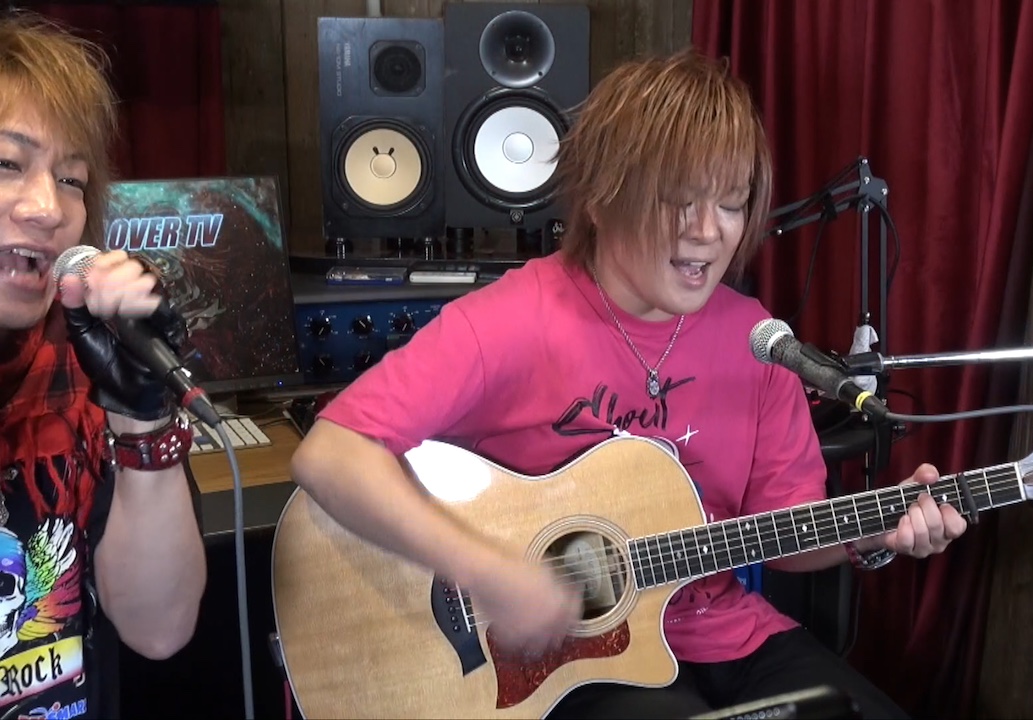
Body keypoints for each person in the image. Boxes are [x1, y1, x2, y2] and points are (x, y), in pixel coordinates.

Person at [291, 49, 967, 719]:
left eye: (731, 204)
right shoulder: (508, 322)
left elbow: (790, 534)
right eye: (679, 201)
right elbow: (330, 454)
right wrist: (489, 573)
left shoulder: (758, 340)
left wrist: (878, 531)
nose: (709, 232)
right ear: (602, 196)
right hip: (563, 663)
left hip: (727, 637)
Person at [0, 12, 207, 718]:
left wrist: (141, 418)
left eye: (72, 179)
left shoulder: (82, 370)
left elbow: (159, 629)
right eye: (7, 163)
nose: (48, 207)